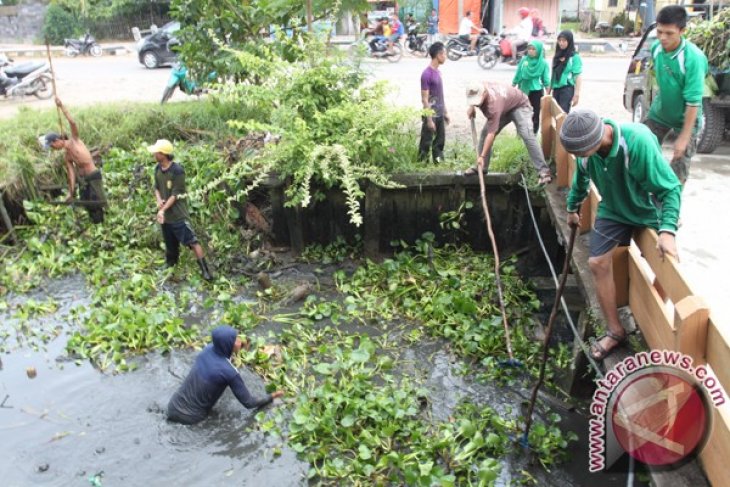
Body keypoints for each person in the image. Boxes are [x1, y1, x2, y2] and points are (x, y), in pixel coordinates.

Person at [561, 109, 681, 361]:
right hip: (614, 208)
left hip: (648, 208)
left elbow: (670, 188)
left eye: (580, 152)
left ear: (593, 141)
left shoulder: (637, 141)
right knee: (596, 262)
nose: (578, 157)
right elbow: (580, 180)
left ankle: (651, 320)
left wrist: (668, 230)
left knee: (667, 267)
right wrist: (572, 208)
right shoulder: (585, 155)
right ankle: (616, 331)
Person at [644, 5, 708, 186]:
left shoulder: (693, 58)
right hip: (660, 113)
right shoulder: (656, 49)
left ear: (682, 31)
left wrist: (684, 137)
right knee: (639, 149)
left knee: (678, 171)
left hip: (686, 118)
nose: (663, 37)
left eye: (669, 33)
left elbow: (693, 102)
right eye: (659, 31)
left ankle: (671, 211)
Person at [167, 326, 284, 424]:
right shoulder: (229, 372)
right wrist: (272, 396)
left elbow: (221, 361)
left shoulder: (207, 350)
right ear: (228, 344)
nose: (239, 341)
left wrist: (242, 346)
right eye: (235, 340)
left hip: (172, 407)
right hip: (191, 418)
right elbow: (249, 403)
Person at [148, 139, 213, 281]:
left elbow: (176, 195)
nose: (153, 154)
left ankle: (205, 270)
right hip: (166, 217)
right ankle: (170, 267)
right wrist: (159, 200)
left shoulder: (177, 171)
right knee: (170, 245)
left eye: (156, 152)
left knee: (192, 242)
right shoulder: (157, 169)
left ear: (163, 154)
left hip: (178, 215)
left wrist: (162, 210)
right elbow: (156, 188)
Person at [463, 81, 552, 185]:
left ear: (484, 94)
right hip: (504, 106)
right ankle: (482, 168)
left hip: (520, 105)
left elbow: (491, 134)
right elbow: (475, 96)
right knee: (484, 133)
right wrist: (471, 107)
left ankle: (544, 172)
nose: (477, 103)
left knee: (527, 135)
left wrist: (481, 156)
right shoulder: (480, 86)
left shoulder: (493, 106)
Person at [45, 97, 106, 224]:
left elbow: (72, 123)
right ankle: (95, 225)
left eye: (52, 146)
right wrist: (71, 193)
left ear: (57, 141)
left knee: (96, 203)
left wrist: (61, 106)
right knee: (86, 203)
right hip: (83, 180)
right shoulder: (67, 156)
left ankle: (102, 223)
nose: (53, 149)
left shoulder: (74, 140)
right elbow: (71, 175)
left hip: (93, 176)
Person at [419, 42, 450, 163]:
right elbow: (424, 99)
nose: (446, 57)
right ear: (439, 55)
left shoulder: (438, 72)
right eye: (445, 54)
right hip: (431, 114)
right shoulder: (426, 74)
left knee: (439, 141)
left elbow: (440, 94)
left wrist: (445, 112)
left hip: (440, 112)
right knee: (426, 142)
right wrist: (429, 119)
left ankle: (438, 161)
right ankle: (422, 164)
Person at [512, 40, 550, 134]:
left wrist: (548, 94)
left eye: (534, 49)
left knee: (535, 114)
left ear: (539, 50)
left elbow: (546, 80)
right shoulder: (524, 60)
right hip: (523, 90)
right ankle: (520, 134)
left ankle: (533, 134)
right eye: (529, 49)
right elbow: (518, 74)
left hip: (536, 92)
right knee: (521, 113)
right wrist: (513, 86)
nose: (531, 51)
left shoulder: (543, 63)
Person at [547, 30, 582, 113]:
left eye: (564, 41)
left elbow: (577, 76)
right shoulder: (557, 56)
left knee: (563, 113)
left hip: (567, 89)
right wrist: (548, 90)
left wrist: (576, 94)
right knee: (555, 113)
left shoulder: (574, 57)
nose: (561, 43)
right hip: (556, 89)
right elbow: (553, 74)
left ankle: (563, 126)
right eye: (559, 41)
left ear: (569, 41)